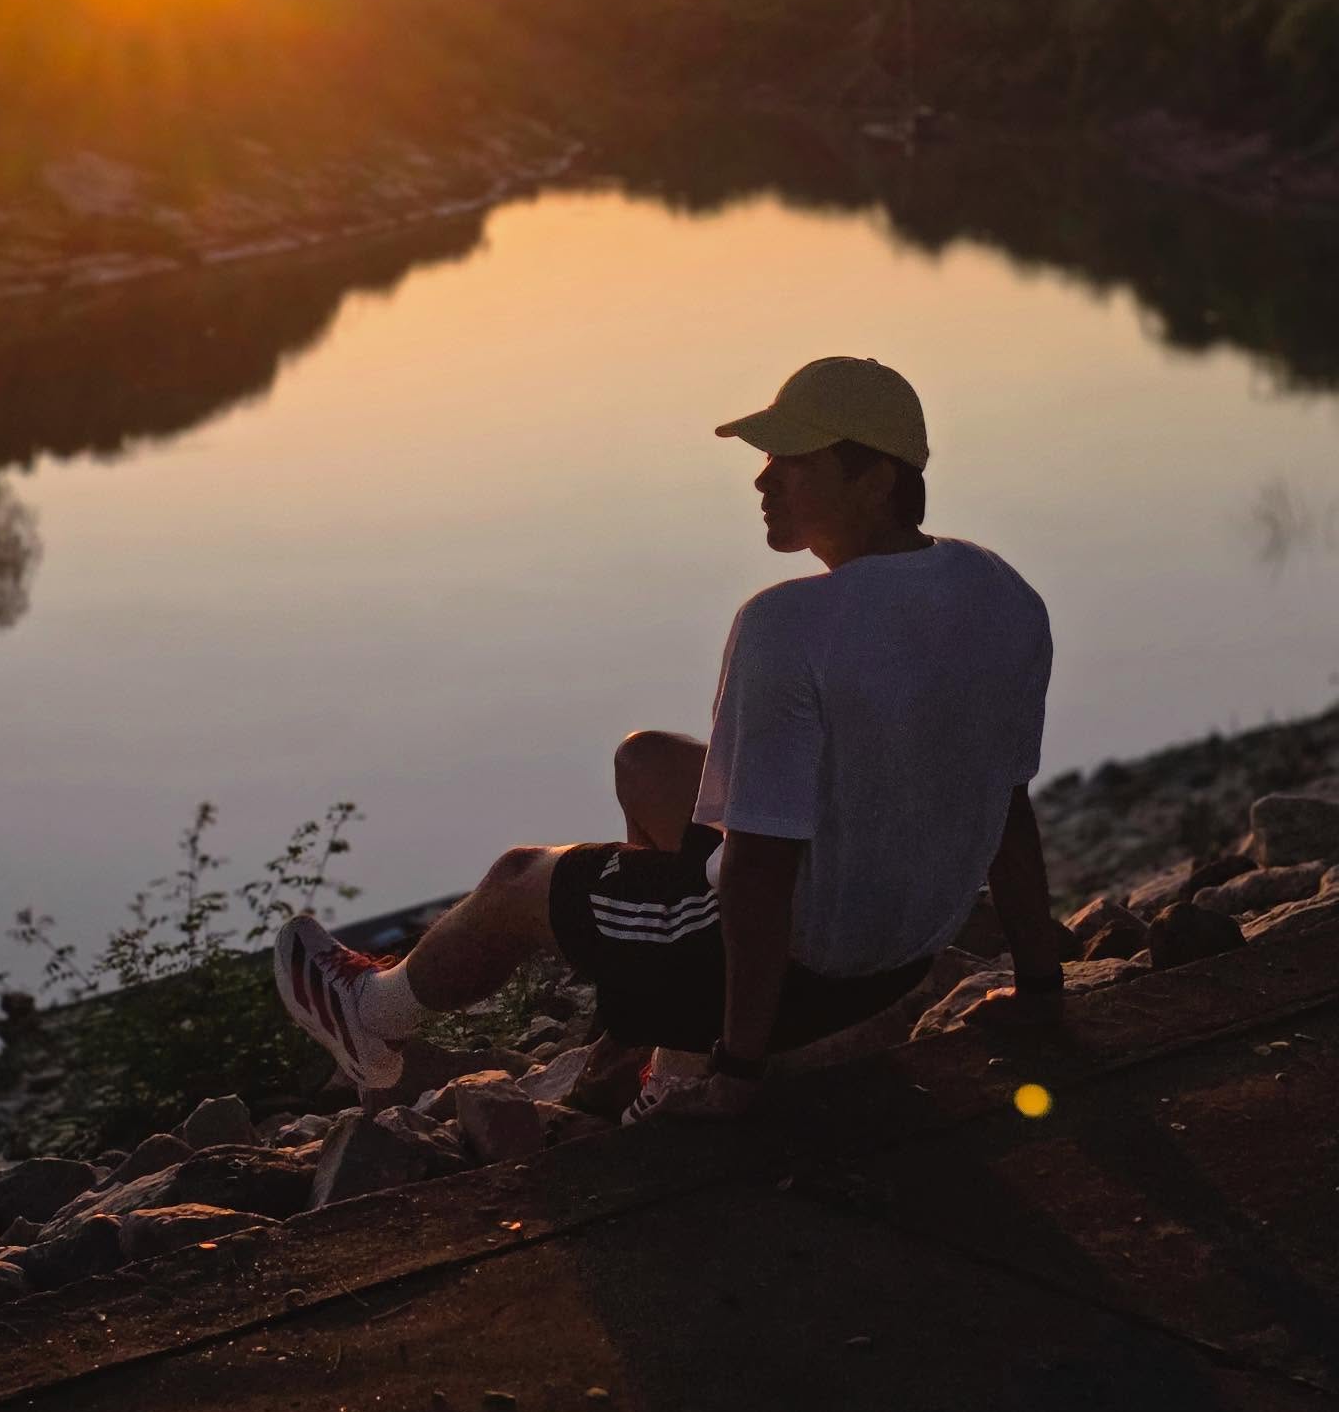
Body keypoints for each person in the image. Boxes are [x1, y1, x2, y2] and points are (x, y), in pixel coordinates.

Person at [275, 355, 1062, 1123]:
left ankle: (372, 1013)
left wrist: (738, 1069)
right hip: (898, 957)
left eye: (794, 461)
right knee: (645, 759)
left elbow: (760, 868)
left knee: (518, 880)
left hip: (808, 975)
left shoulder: (788, 626)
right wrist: (1040, 987)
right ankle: (657, 1032)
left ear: (877, 478)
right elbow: (1007, 805)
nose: (763, 480)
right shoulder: (999, 591)